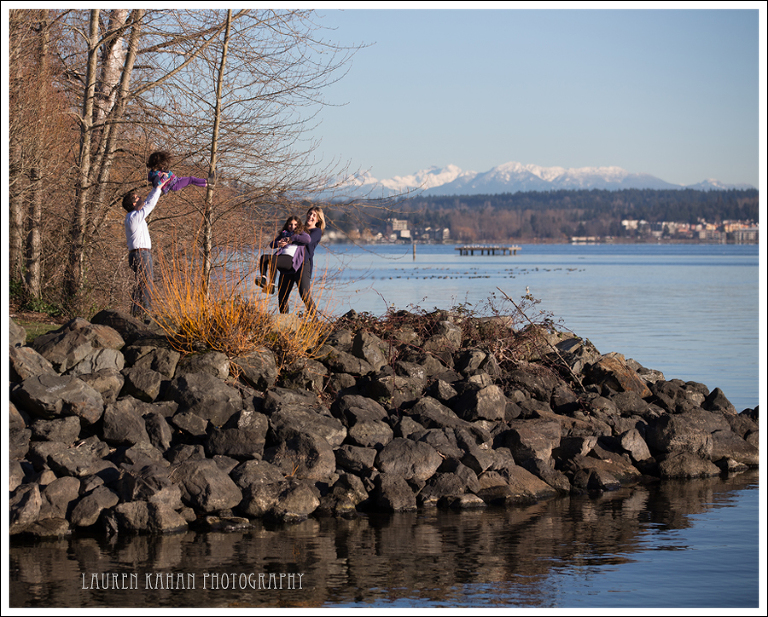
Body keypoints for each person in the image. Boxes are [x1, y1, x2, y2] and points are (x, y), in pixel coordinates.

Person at [122, 173, 172, 319]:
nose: (141, 198)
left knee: (141, 284)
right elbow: (150, 204)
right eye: (138, 198)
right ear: (133, 204)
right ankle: (146, 314)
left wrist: (158, 188)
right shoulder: (134, 217)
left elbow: (149, 201)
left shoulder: (133, 217)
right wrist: (158, 187)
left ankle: (136, 314)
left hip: (136, 254)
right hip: (141, 254)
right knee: (146, 283)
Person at [276, 206, 325, 315]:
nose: (311, 216)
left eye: (314, 215)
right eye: (310, 213)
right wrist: (281, 242)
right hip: (289, 262)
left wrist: (291, 239)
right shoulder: (299, 228)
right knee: (282, 295)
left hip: (303, 264)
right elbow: (284, 236)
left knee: (304, 294)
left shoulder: (316, 231)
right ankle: (285, 321)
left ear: (318, 220)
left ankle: (315, 321)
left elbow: (307, 241)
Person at [256, 216, 303, 294]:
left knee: (274, 260)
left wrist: (292, 239)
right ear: (287, 225)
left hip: (291, 259)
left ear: (298, 225)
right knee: (264, 257)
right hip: (282, 256)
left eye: (295, 224)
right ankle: (263, 279)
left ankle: (272, 285)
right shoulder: (284, 234)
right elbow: (272, 244)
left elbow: (307, 239)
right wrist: (278, 243)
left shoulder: (300, 234)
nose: (292, 227)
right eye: (290, 224)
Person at [146, 150, 212, 193]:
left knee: (192, 181)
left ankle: (208, 185)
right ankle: (209, 181)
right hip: (175, 184)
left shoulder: (156, 171)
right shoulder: (156, 174)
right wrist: (164, 179)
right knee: (191, 179)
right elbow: (156, 185)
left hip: (177, 180)